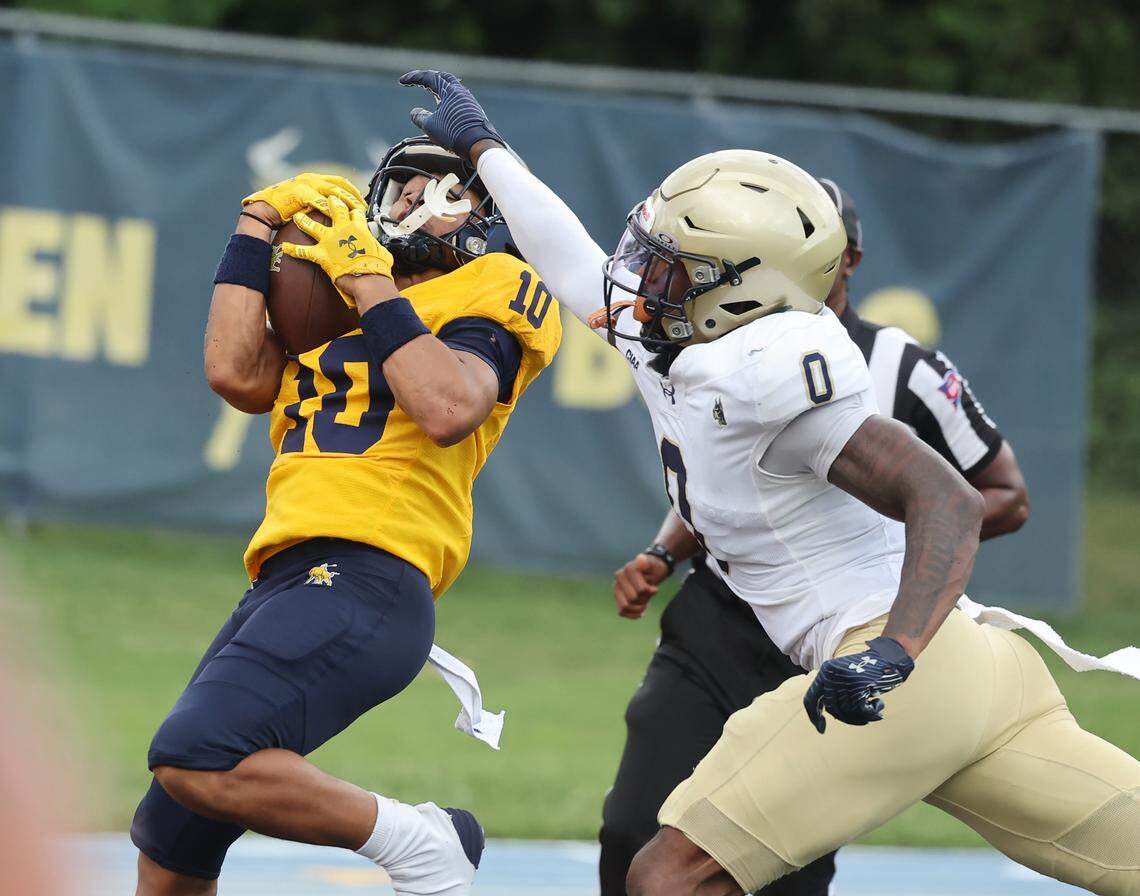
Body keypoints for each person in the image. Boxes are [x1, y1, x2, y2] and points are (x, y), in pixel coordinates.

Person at [400, 70, 1140, 896]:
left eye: (670, 265)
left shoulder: (766, 369)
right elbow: (571, 254)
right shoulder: (677, 335)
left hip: (900, 665)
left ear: (742, 289)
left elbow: (950, 497)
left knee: (665, 878)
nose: (640, 274)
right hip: (979, 673)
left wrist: (892, 653)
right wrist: (485, 149)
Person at [130, 138, 562, 896]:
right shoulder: (336, 296)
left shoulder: (494, 285)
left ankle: (422, 843)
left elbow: (449, 405)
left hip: (372, 570)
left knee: (196, 752)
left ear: (481, 217)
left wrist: (368, 283)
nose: (404, 201)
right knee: (173, 832)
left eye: (434, 191)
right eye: (399, 187)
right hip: (287, 572)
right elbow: (235, 371)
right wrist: (256, 224)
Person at [600, 179, 1030, 896]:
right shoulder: (712, 330)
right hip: (725, 612)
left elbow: (1003, 494)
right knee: (633, 827)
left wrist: (880, 537)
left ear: (845, 260)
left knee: (781, 865)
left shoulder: (902, 364)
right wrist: (663, 551)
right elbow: (716, 475)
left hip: (842, 629)